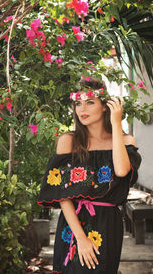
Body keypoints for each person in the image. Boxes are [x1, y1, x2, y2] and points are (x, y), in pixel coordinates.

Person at [38, 77, 142, 274]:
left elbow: (121, 171)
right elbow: (63, 195)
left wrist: (116, 123)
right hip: (73, 224)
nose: (82, 109)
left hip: (108, 223)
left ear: (105, 106)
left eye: (90, 102)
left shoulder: (125, 140)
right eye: (78, 103)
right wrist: (81, 238)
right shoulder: (68, 141)